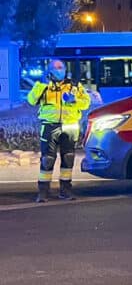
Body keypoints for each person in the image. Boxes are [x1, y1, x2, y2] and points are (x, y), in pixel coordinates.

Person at [27, 60, 91, 203]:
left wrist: (74, 100)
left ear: (65, 69)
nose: (58, 70)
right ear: (49, 70)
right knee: (47, 159)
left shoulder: (74, 86)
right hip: (50, 125)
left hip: (70, 126)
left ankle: (65, 190)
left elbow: (86, 103)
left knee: (68, 158)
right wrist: (41, 85)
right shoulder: (44, 86)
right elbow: (31, 100)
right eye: (55, 68)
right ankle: (43, 192)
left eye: (60, 67)